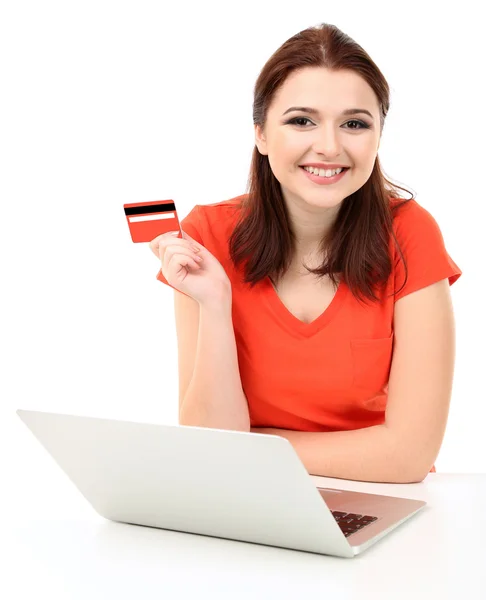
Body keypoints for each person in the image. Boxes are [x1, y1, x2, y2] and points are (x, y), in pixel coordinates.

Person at [150, 23, 462, 483]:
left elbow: (408, 456)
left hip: (379, 498)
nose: (330, 146)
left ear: (378, 137)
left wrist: (252, 448)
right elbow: (209, 445)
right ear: (260, 134)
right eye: (301, 121)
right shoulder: (207, 236)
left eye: (355, 124)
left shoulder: (410, 233)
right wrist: (215, 305)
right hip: (249, 493)